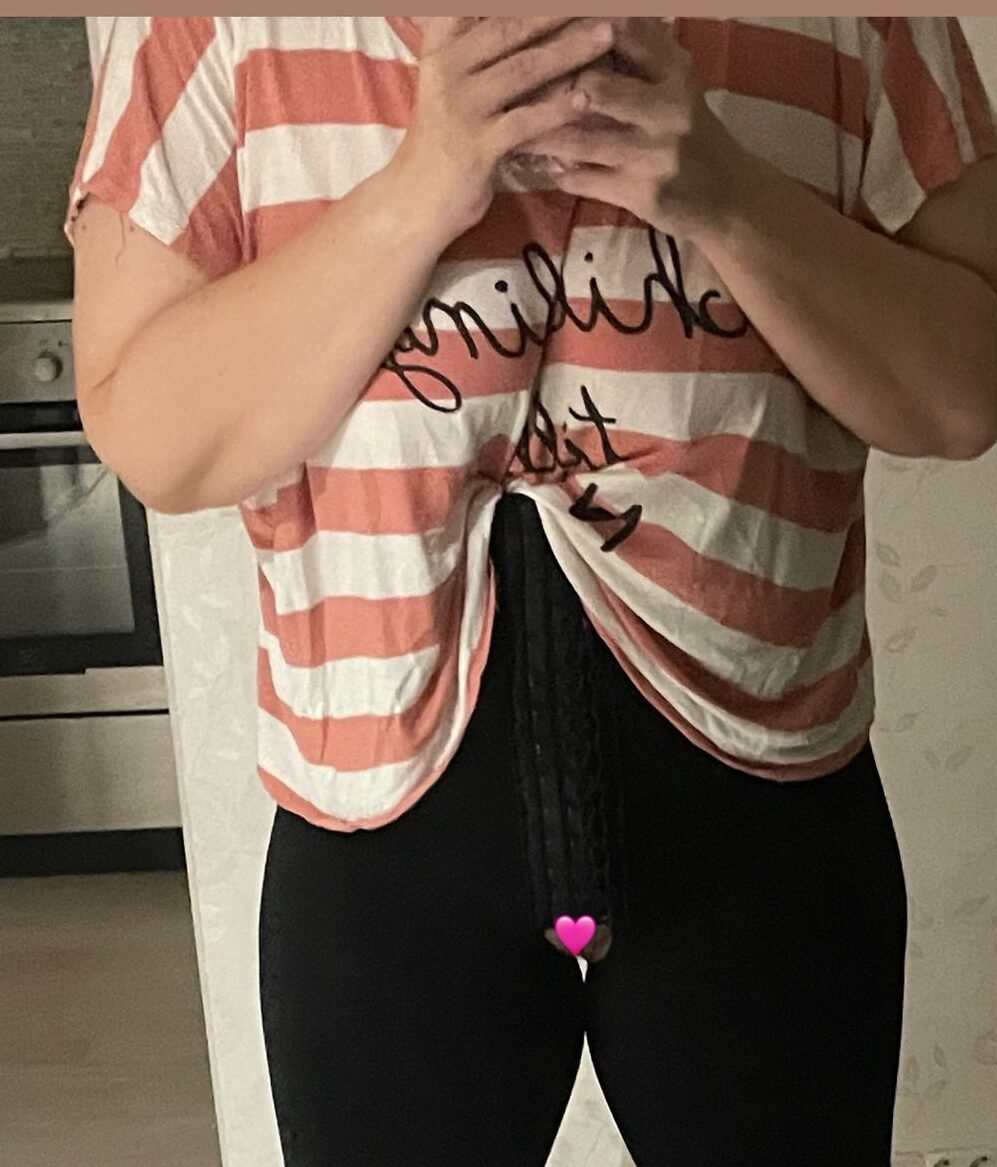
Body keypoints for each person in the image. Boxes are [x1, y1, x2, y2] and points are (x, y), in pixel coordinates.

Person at [66, 16, 997, 1167]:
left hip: (766, 823)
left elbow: (964, 391)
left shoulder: (863, 22)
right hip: (379, 837)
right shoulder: (207, 31)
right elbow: (156, 442)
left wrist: (724, 194)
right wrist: (418, 189)